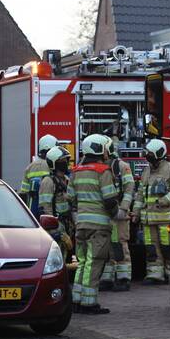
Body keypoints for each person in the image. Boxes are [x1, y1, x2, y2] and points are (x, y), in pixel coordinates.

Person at [67, 134, 118, 314]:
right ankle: (89, 303)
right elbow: (110, 200)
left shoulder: (75, 171)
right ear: (98, 150)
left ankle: (76, 300)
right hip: (99, 227)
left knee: (81, 262)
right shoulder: (103, 171)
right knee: (94, 263)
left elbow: (70, 199)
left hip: (81, 225)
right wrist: (116, 214)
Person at [135, 138, 170, 284]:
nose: (148, 158)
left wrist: (164, 200)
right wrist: (136, 211)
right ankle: (155, 274)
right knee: (151, 248)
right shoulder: (146, 171)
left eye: (150, 155)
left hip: (165, 218)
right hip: (148, 219)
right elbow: (140, 194)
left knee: (167, 247)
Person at [99, 138, 136, 292]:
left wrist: (124, 209)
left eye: (103, 149)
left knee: (120, 245)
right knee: (106, 247)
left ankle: (123, 278)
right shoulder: (99, 167)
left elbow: (129, 189)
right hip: (104, 214)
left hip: (119, 214)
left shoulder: (122, 167)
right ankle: (107, 278)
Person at [37, 146, 73, 257]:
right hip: (57, 227)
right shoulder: (48, 181)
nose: (66, 163)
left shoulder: (67, 180)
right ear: (54, 163)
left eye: (67, 160)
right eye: (63, 161)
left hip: (67, 225)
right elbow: (45, 208)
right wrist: (56, 232)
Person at [19, 134, 58, 215]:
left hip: (33, 211)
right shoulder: (55, 166)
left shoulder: (29, 167)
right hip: (50, 209)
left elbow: (24, 192)